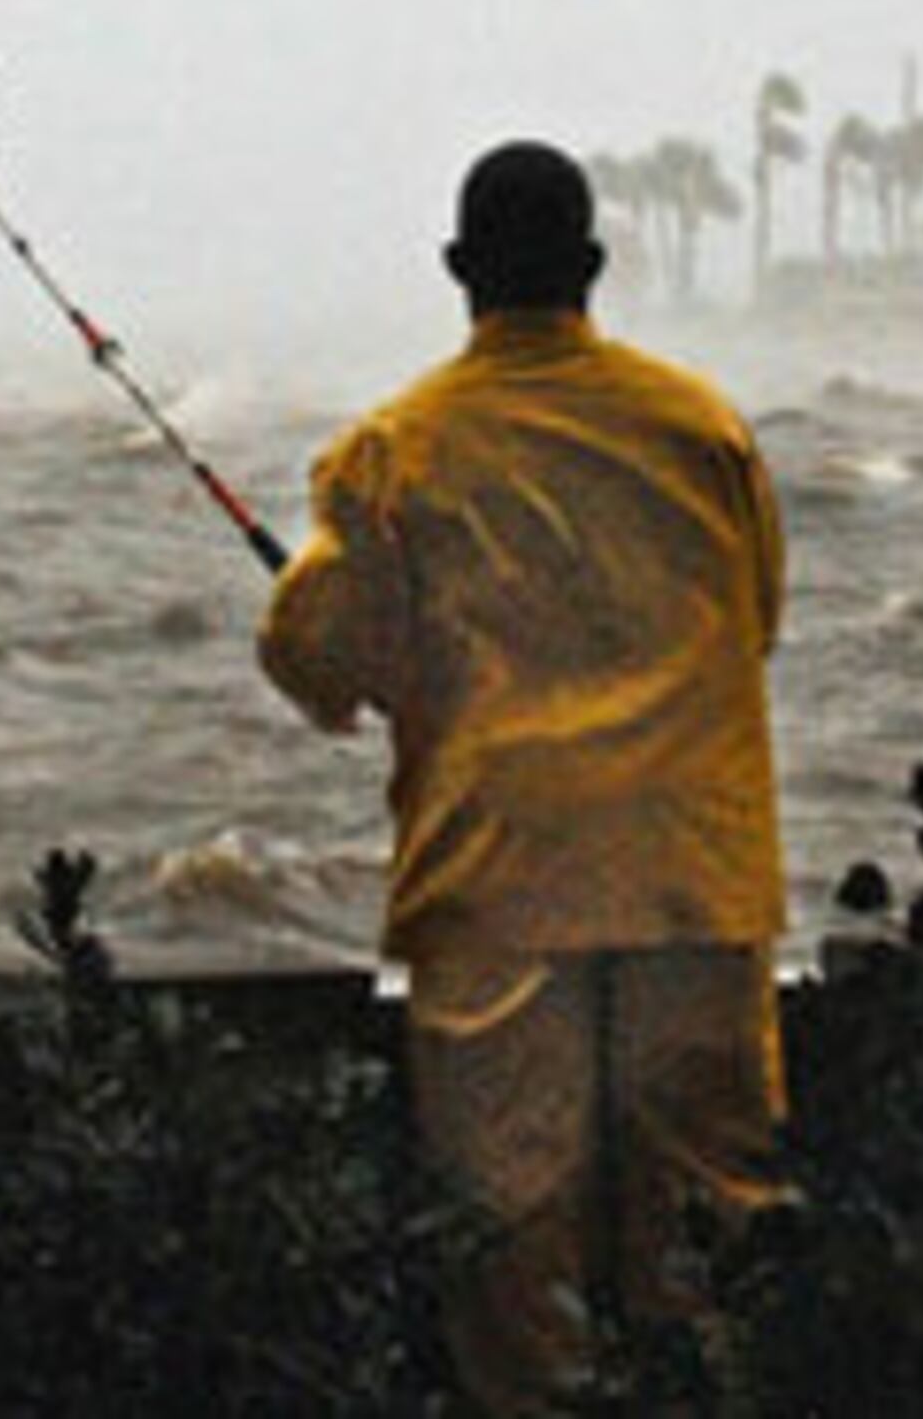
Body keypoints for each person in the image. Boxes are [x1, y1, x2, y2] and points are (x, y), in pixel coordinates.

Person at [259, 139, 789, 1412]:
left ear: (459, 272)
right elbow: (756, 617)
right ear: (596, 267)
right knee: (711, 1236)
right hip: (692, 880)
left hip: (499, 889)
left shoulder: (396, 450)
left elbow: (322, 656)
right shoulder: (703, 425)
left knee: (510, 1245)